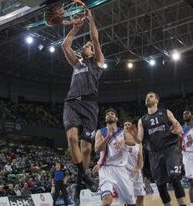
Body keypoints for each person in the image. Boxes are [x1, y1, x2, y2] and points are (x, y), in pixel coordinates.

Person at [61, 5, 104, 205]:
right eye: (85, 46)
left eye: (87, 46)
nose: (84, 46)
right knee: (71, 138)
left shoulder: (97, 63)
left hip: (90, 106)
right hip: (72, 103)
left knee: (86, 148)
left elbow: (95, 39)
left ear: (92, 52)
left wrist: (91, 20)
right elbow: (65, 46)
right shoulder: (77, 64)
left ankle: (79, 187)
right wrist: (75, 27)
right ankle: (85, 176)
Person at [129, 92, 187, 206]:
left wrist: (177, 130)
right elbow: (139, 140)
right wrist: (133, 134)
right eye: (146, 97)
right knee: (160, 184)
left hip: (170, 149)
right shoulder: (142, 120)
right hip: (154, 154)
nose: (147, 98)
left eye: (150, 96)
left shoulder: (166, 112)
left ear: (156, 100)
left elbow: (179, 127)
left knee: (174, 177)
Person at [95, 108, 136, 206]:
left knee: (131, 203)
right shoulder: (100, 132)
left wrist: (124, 141)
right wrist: (108, 137)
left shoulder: (123, 131)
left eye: (112, 114)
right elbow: (96, 149)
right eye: (107, 114)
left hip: (121, 169)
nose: (109, 115)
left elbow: (133, 142)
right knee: (107, 200)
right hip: (106, 169)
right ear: (105, 118)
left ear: (116, 118)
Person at [124, 121, 146, 206]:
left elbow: (140, 156)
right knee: (129, 197)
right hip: (124, 171)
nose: (126, 126)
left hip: (136, 170)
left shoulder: (138, 141)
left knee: (141, 195)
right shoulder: (120, 139)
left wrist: (138, 168)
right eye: (125, 125)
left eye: (128, 124)